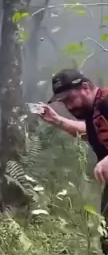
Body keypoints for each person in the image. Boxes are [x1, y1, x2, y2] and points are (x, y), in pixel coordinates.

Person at [37, 68, 108, 232]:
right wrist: (55, 119)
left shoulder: (105, 101)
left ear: (85, 87)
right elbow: (88, 131)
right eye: (64, 102)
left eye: (70, 98)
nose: (69, 106)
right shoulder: (93, 111)